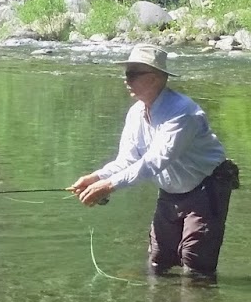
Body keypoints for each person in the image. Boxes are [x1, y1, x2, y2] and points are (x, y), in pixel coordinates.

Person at [70, 45, 240, 277]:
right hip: (171, 191)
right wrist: (97, 177)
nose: (125, 80)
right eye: (126, 74)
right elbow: (128, 160)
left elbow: (154, 162)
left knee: (196, 263)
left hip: (207, 186)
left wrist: (108, 186)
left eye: (132, 74)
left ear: (154, 78)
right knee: (159, 261)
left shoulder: (183, 113)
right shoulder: (135, 113)